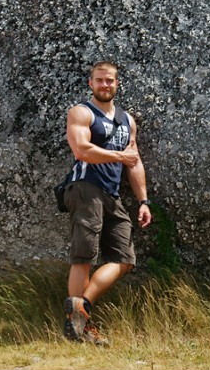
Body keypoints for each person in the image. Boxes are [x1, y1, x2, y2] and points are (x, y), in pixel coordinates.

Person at [62, 60, 152, 345]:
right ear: (91, 83)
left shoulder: (127, 120)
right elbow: (82, 150)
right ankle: (81, 328)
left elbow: (134, 163)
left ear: (117, 83)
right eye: (99, 80)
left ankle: (80, 308)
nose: (105, 85)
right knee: (84, 257)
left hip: (112, 195)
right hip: (85, 187)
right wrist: (119, 157)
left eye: (109, 80)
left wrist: (143, 201)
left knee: (124, 259)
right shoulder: (81, 112)